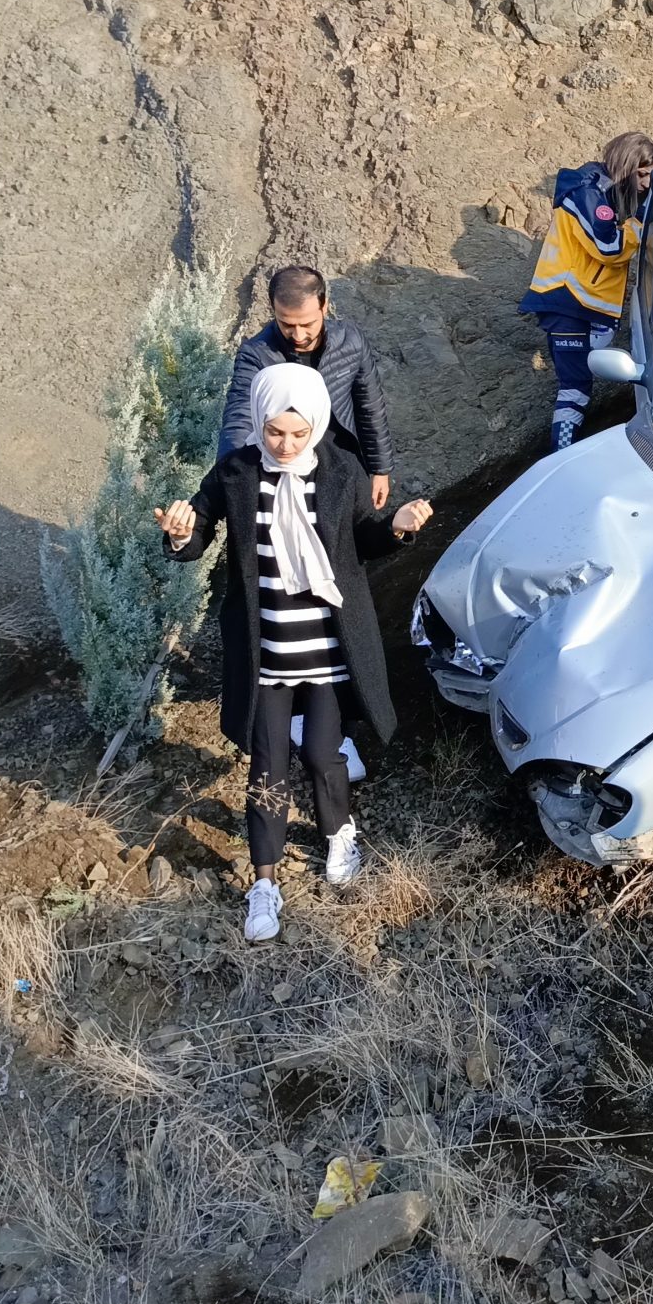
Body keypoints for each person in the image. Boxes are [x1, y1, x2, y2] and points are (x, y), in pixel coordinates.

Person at [156, 364, 434, 943]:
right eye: (274, 432)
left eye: (297, 433)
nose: (284, 444)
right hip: (268, 657)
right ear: (259, 422)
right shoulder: (236, 472)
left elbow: (364, 538)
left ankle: (338, 833)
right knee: (267, 766)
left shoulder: (341, 470)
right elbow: (200, 531)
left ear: (315, 424)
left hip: (328, 652)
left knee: (326, 755)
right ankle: (265, 882)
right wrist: (181, 533)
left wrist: (400, 528)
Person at [520, 131, 653, 453]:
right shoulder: (588, 194)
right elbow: (609, 248)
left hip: (586, 304)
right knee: (574, 390)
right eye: (642, 175)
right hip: (569, 303)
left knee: (579, 387)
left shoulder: (606, 194)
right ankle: (561, 459)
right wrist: (640, 223)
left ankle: (564, 454)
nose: (645, 185)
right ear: (626, 165)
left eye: (650, 177)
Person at [218, 266, 397, 511]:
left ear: (324, 307)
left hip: (345, 465)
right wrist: (231, 482)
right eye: (287, 324)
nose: (299, 335)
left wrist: (380, 469)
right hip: (288, 472)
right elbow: (240, 419)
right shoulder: (256, 354)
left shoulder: (351, 341)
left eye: (307, 324)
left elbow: (370, 408)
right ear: (274, 311)